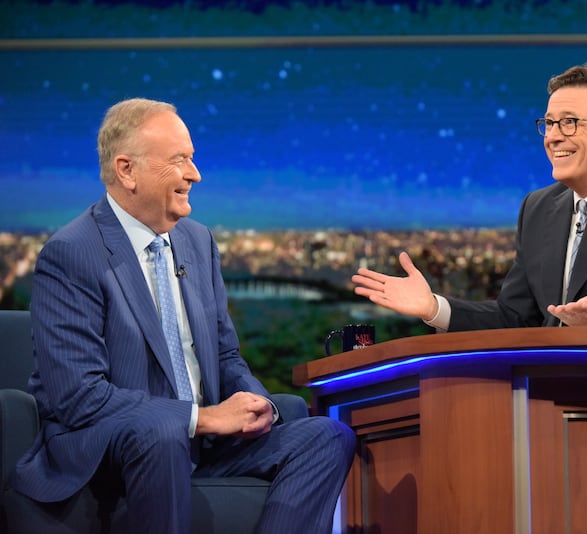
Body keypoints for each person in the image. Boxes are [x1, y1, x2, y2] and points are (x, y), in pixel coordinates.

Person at [12, 98, 355, 534]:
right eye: (179, 161)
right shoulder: (73, 253)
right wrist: (201, 418)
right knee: (160, 432)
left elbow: (225, 356)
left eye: (192, 159)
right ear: (127, 170)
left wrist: (255, 403)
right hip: (109, 450)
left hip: (203, 444)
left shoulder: (197, 241)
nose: (195, 174)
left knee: (327, 437)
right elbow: (80, 396)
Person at [352, 63, 587, 329]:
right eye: (549, 124)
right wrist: (434, 308)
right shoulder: (538, 208)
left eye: (570, 123)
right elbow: (513, 317)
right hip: (543, 389)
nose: (552, 137)